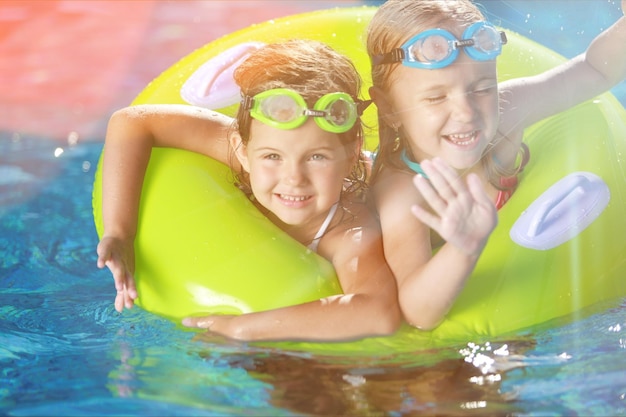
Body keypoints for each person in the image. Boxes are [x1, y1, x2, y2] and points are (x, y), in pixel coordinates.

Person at [96, 39, 402, 342]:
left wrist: (240, 328)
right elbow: (131, 122)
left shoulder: (349, 229)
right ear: (242, 151)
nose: (293, 178)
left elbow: (378, 312)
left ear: (350, 157)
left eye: (316, 157)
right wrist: (120, 233)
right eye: (273, 157)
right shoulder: (243, 154)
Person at [365, 0, 626, 330]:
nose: (466, 112)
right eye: (436, 97)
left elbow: (594, 70)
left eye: (482, 88)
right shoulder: (404, 191)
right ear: (389, 108)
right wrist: (463, 248)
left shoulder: (507, 110)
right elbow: (418, 312)